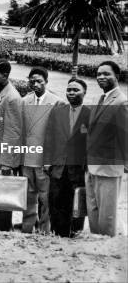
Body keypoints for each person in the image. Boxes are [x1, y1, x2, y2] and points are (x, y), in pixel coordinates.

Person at [85, 60, 127, 237]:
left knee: (107, 215)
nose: (101, 77)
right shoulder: (99, 99)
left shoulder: (122, 102)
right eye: (99, 74)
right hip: (92, 166)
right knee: (93, 211)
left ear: (116, 77)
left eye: (106, 74)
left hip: (109, 167)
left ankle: (107, 248)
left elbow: (125, 136)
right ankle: (96, 245)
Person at [44, 78, 90, 238]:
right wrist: (47, 161)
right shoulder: (58, 111)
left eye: (75, 90)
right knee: (56, 202)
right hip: (57, 167)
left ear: (84, 92)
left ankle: (75, 234)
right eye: (69, 89)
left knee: (76, 203)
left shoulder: (90, 114)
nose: (71, 93)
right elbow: (49, 137)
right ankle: (58, 234)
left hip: (78, 170)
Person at [20, 67, 60, 234]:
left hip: (44, 160)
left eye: (39, 81)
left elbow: (59, 136)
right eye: (32, 81)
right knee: (28, 195)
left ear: (46, 82)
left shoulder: (57, 102)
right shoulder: (24, 101)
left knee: (45, 197)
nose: (35, 84)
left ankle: (45, 228)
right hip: (27, 158)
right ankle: (28, 227)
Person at [0, 59, 22, 231]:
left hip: (2, 156)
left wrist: (7, 162)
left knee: (3, 194)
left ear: (5, 75)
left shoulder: (12, 97)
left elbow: (13, 133)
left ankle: (2, 228)